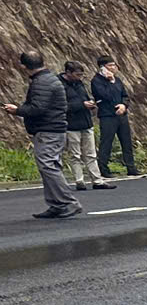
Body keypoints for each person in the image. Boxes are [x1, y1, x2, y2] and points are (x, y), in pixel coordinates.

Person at [13, 50, 80, 218]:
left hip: (48, 130)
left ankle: (68, 202)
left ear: (23, 66)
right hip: (54, 129)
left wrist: (17, 110)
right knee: (50, 166)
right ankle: (56, 204)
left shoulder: (41, 82)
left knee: (48, 166)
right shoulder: (49, 79)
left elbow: (37, 108)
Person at [59, 60, 107, 191]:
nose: (79, 77)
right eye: (77, 74)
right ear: (68, 72)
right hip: (71, 124)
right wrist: (81, 105)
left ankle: (97, 180)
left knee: (91, 153)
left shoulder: (79, 83)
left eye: (81, 75)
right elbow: (60, 106)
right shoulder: (59, 85)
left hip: (85, 121)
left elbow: (85, 97)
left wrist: (90, 103)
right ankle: (79, 180)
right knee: (75, 154)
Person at [90, 56, 136, 178]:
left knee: (126, 141)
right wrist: (110, 81)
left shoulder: (118, 80)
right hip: (107, 115)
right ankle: (103, 169)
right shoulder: (96, 81)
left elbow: (125, 95)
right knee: (106, 142)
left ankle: (131, 167)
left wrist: (124, 105)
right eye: (110, 66)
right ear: (102, 68)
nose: (113, 68)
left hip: (121, 114)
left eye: (114, 65)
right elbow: (105, 95)